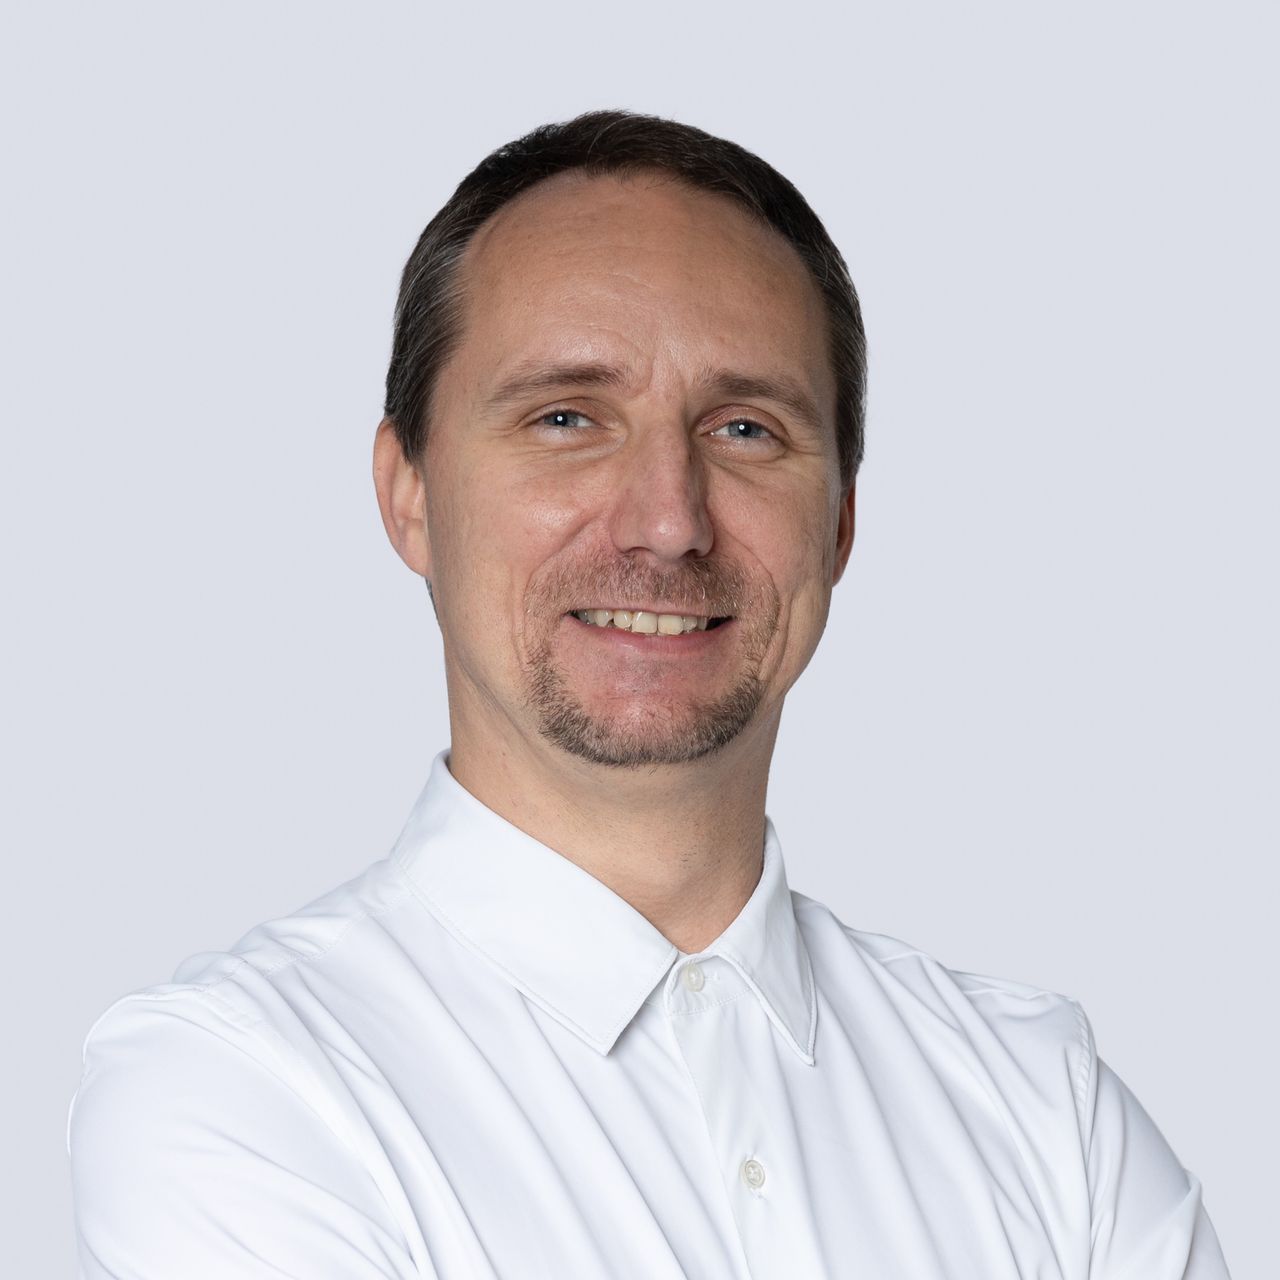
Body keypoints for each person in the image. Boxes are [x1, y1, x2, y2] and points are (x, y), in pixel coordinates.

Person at [67, 110, 1230, 1279]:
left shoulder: (1045, 1107)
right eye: (566, 418)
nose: (668, 520)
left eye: (745, 428)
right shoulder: (240, 1087)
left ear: (837, 523)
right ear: (407, 493)